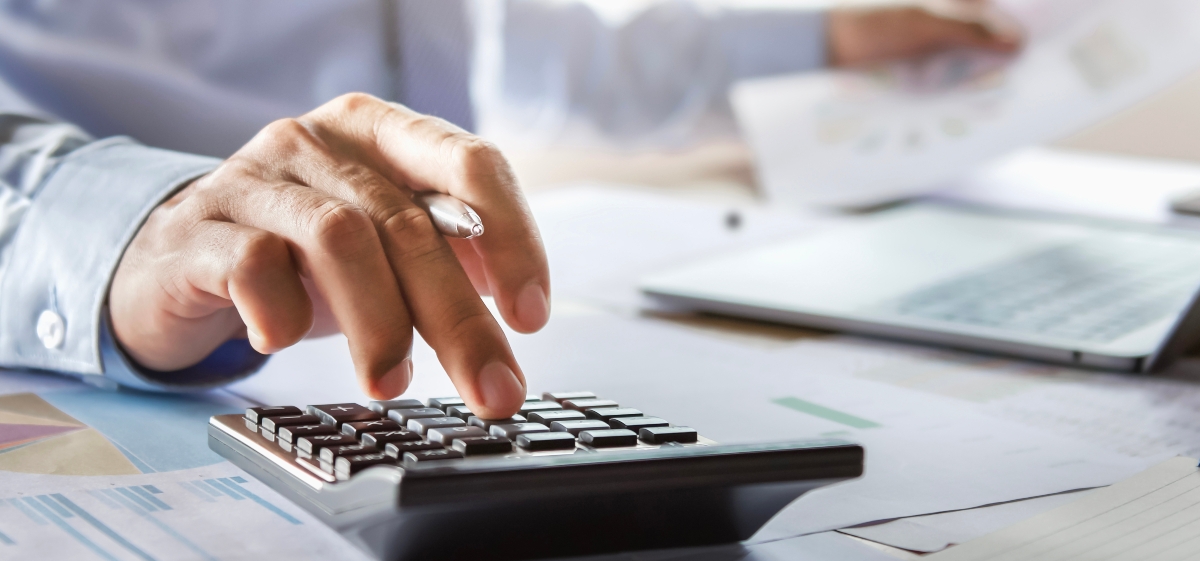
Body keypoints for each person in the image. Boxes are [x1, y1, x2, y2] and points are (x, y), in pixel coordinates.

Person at [0, 0, 1018, 418]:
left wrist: (826, 38)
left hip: (391, 340)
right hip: (99, 350)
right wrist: (139, 229)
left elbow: (550, 57)